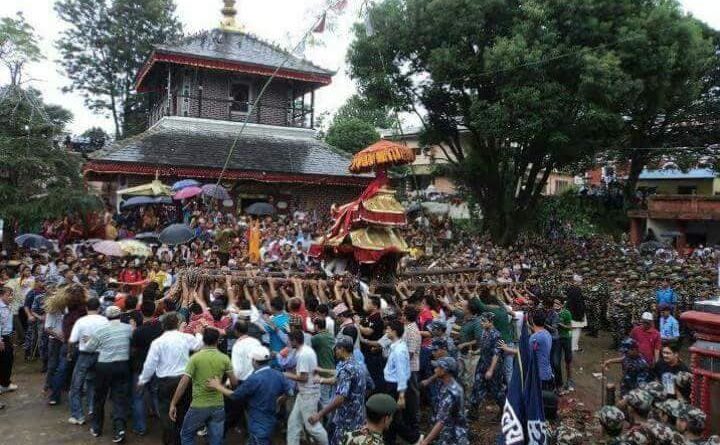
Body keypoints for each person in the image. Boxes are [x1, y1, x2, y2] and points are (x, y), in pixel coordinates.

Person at [138, 312, 203, 445]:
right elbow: (198, 345)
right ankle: (180, 439)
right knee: (183, 411)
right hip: (184, 381)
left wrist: (142, 380)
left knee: (166, 413)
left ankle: (170, 439)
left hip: (165, 382)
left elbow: (150, 364)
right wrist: (199, 333)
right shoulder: (185, 337)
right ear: (177, 324)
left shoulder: (158, 342)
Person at [206, 346, 293, 445]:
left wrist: (218, 386)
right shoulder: (278, 374)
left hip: (257, 423)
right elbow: (290, 392)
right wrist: (281, 400)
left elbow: (235, 395)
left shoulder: (254, 379)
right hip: (270, 420)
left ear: (254, 361)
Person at [170, 327, 236, 445]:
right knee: (216, 439)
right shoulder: (224, 358)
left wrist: (173, 403)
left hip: (199, 405)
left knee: (186, 434)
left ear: (204, 340)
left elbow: (183, 383)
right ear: (217, 341)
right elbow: (234, 382)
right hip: (218, 405)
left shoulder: (195, 358)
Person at [84, 305, 133, 442]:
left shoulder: (101, 330)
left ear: (107, 317)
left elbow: (89, 348)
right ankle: (120, 429)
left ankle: (97, 428)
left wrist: (90, 341)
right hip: (122, 365)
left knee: (99, 397)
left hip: (104, 366)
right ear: (120, 316)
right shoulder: (128, 328)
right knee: (119, 398)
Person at [310, 335, 367, 445]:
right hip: (358, 417)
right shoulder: (357, 364)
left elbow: (340, 398)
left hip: (346, 421)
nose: (334, 352)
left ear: (342, 349)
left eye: (336, 349)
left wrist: (319, 414)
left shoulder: (347, 369)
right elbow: (338, 380)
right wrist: (321, 380)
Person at [67, 297, 108, 425]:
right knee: (93, 383)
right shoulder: (105, 321)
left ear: (86, 308)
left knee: (76, 386)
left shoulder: (81, 321)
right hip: (100, 356)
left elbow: (72, 341)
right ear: (99, 308)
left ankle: (78, 415)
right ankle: (92, 409)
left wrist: (69, 353)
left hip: (84, 355)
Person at [284, 329, 328, 445]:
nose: (288, 343)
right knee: (293, 423)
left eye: (289, 341)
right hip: (305, 393)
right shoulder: (307, 350)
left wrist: (287, 375)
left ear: (294, 341)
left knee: (312, 427)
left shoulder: (303, 355)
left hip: (308, 394)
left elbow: (303, 378)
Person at [382, 319, 419, 445]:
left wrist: (401, 396)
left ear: (394, 332)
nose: (386, 331)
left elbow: (402, 373)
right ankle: (390, 440)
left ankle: (415, 438)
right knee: (391, 417)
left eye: (388, 329)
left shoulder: (399, 351)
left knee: (392, 419)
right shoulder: (396, 346)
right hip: (392, 385)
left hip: (395, 387)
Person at [129, 300, 163, 435]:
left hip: (140, 367)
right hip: (156, 366)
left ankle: (140, 427)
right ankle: (164, 422)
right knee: (156, 394)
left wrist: (133, 330)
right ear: (154, 311)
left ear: (141, 312)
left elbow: (133, 349)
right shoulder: (160, 328)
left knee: (138, 397)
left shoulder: (138, 331)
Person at [419, 356, 468, 445]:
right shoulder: (445, 382)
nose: (435, 370)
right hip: (447, 430)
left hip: (454, 435)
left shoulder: (451, 393)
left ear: (444, 370)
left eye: (438, 367)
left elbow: (441, 422)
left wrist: (425, 442)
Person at [468, 312, 504, 417]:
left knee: (496, 390)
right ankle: (473, 412)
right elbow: (483, 348)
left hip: (493, 366)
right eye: (481, 321)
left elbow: (496, 354)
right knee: (477, 386)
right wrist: (475, 352)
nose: (481, 323)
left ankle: (504, 409)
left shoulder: (496, 335)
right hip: (482, 363)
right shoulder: (484, 332)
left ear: (490, 322)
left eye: (484, 321)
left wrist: (491, 370)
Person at [552, 298, 574, 391]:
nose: (555, 305)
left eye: (557, 303)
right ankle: (559, 383)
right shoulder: (552, 313)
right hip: (557, 339)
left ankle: (569, 380)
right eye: (554, 303)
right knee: (556, 362)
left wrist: (561, 325)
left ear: (561, 305)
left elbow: (570, 327)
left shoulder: (566, 313)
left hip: (566, 338)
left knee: (568, 360)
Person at [0, 286, 17, 396]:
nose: (10, 297)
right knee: (2, 361)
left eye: (11, 295)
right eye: (8, 295)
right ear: (1, 295)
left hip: (8, 336)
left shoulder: (9, 306)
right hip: (1, 337)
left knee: (8, 360)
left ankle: (5, 383)